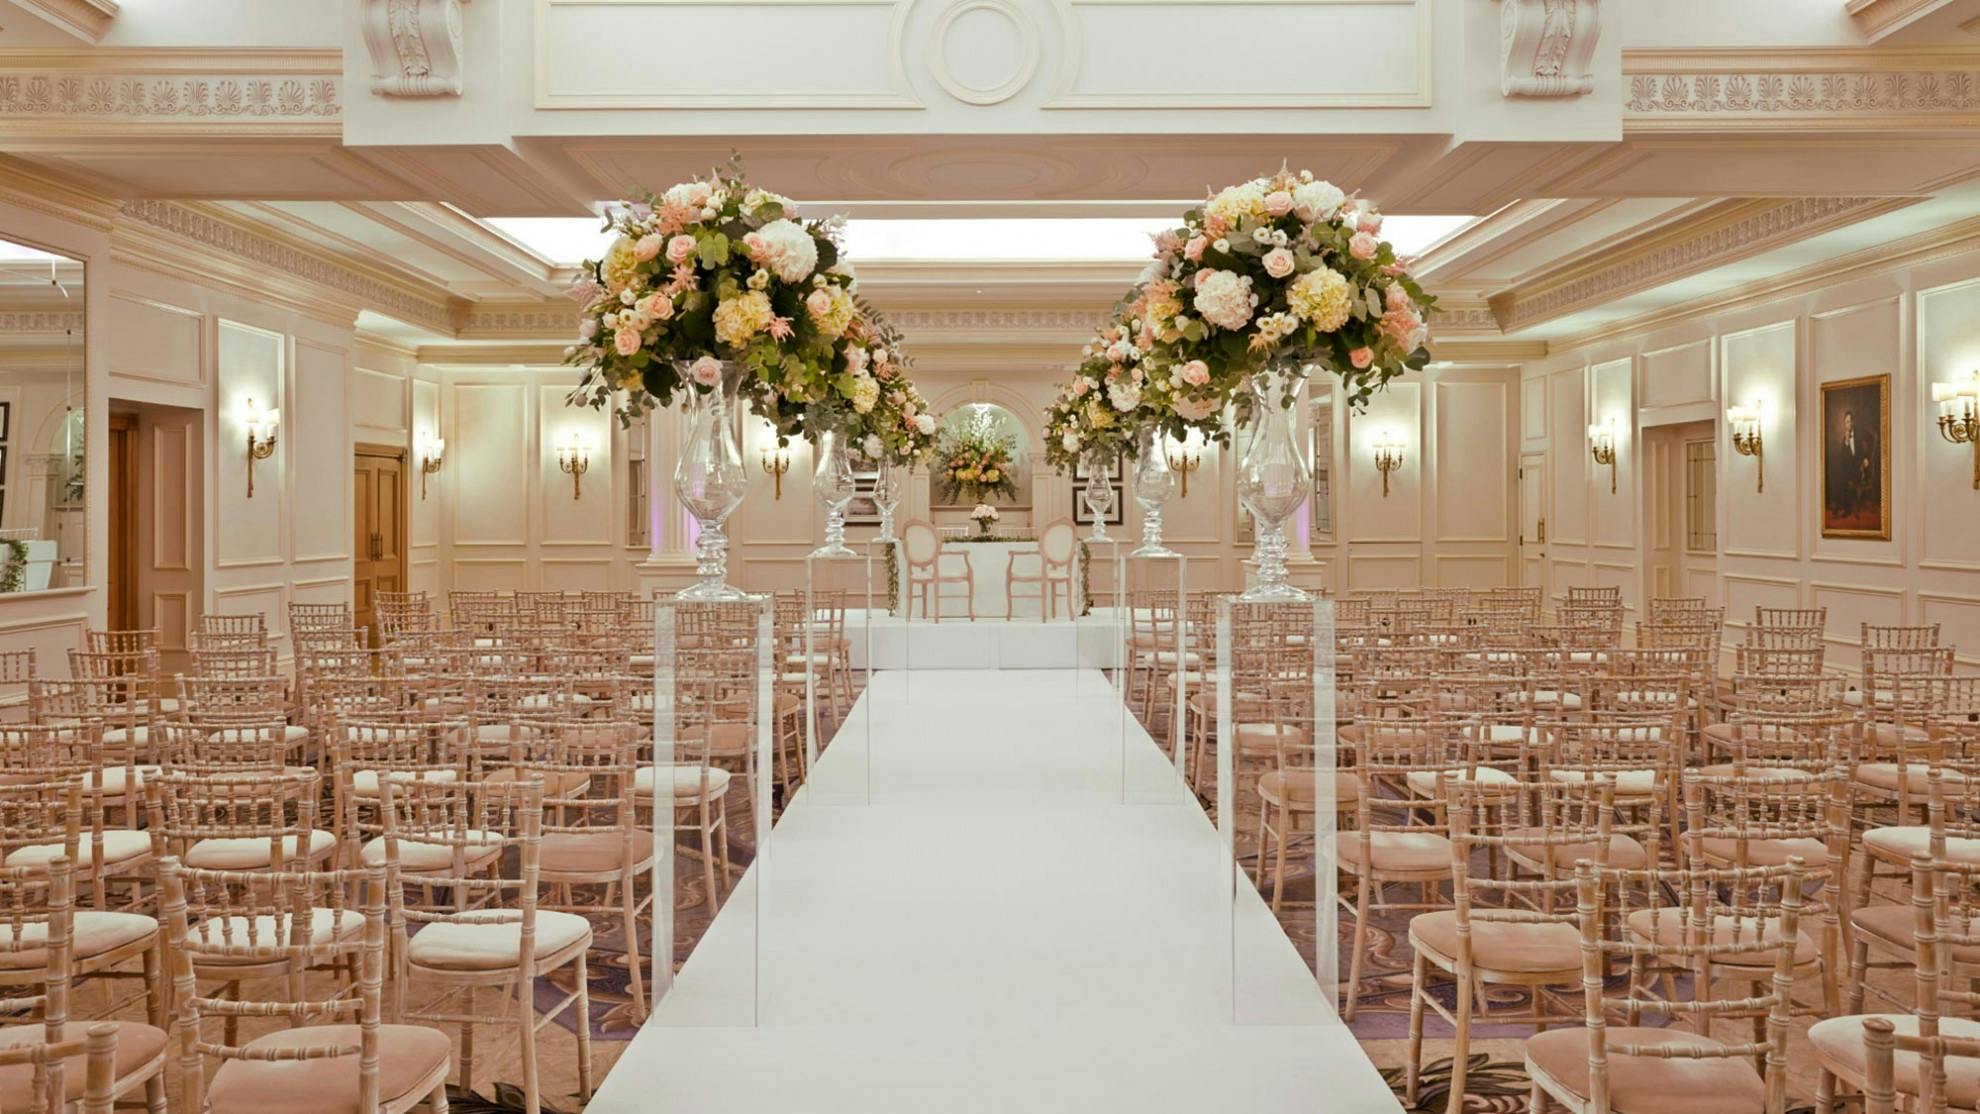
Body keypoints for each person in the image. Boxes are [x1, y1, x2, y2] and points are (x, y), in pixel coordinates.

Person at [1828, 406, 1878, 525]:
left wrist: (1866, 459)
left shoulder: (1859, 433)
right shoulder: (1844, 438)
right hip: (1849, 468)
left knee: (1843, 478)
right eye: (1846, 422)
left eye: (1849, 421)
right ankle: (1843, 507)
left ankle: (1842, 507)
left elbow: (1866, 447)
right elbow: (1842, 458)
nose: (1848, 424)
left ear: (1853, 422)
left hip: (1859, 467)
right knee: (1840, 476)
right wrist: (1845, 442)